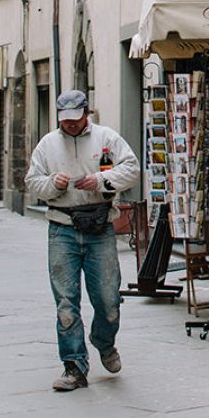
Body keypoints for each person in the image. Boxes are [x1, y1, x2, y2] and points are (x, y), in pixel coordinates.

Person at [25, 89, 140, 392]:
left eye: (76, 120)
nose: (71, 126)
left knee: (108, 299)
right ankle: (74, 366)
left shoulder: (106, 138)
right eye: (65, 121)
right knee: (66, 302)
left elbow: (132, 169)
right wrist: (52, 184)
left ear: (86, 114)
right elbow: (31, 181)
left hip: (100, 227)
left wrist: (101, 180)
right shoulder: (47, 144)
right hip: (62, 227)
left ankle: (104, 340)